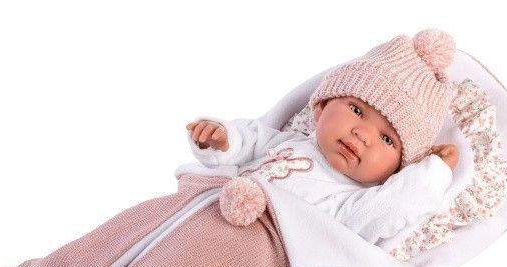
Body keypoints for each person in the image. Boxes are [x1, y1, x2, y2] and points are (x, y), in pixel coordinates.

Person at [186, 29, 459, 243]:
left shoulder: (351, 205)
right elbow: (251, 140)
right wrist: (223, 140)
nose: (362, 134)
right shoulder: (291, 142)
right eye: (357, 110)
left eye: (387, 139)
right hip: (200, 217)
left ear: (398, 169)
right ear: (323, 105)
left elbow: (396, 206)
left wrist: (433, 172)